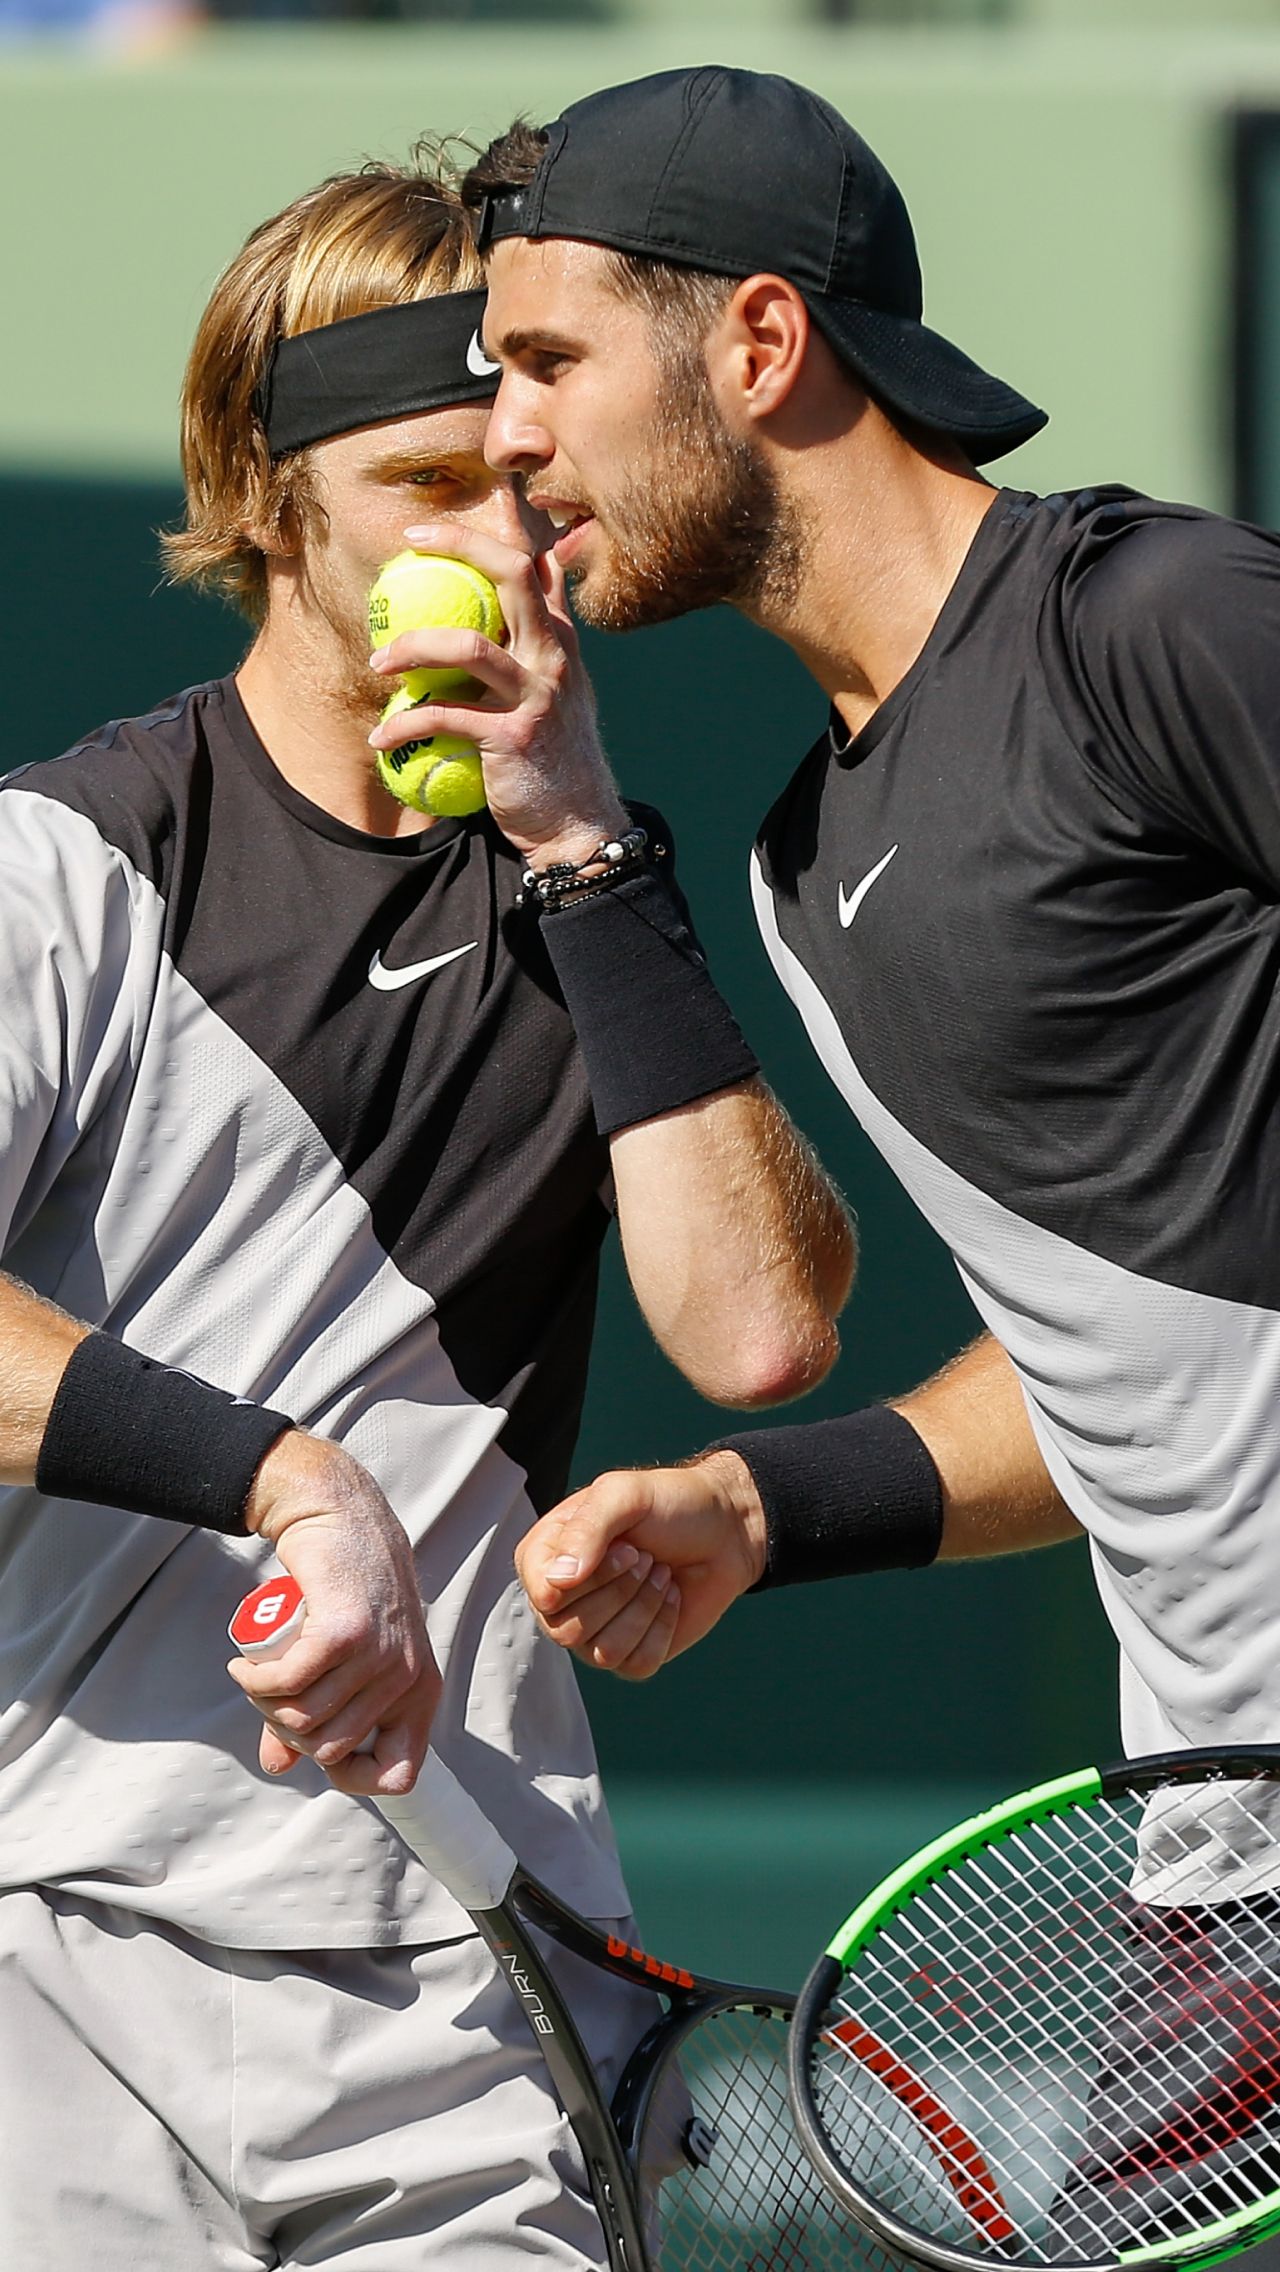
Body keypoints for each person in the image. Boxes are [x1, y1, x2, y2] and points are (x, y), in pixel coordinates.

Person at [0, 147, 854, 2267]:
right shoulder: (68, 869)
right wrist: (286, 1476)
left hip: (466, 1982)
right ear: (269, 501)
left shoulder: (606, 892)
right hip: (48, 1953)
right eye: (418, 488)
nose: (498, 553)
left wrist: (584, 855)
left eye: (523, 487)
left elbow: (758, 1332)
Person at [429, 68, 1280, 1765]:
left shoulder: (1160, 625)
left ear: (757, 342)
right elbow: (1150, 1388)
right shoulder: (800, 870)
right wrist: (767, 1508)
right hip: (1216, 1855)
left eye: (550, 365)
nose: (508, 441)